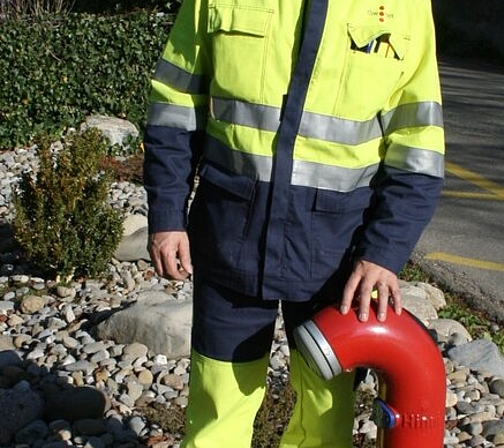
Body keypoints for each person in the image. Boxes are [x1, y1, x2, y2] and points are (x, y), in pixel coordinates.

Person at [143, 0, 445, 446]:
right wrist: (167, 216)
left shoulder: (403, 7)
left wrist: (383, 254)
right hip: (230, 237)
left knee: (325, 421)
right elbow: (173, 108)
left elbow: (418, 149)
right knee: (217, 413)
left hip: (338, 256)